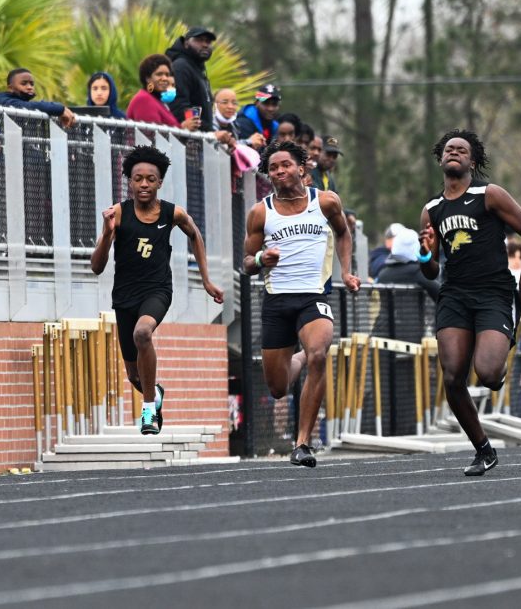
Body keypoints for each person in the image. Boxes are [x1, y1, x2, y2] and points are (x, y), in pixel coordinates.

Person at [418, 129, 521, 476]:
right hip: (455, 293)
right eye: (449, 149)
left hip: (493, 291)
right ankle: (483, 449)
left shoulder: (489, 194)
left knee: (487, 373)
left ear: (472, 161)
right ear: (440, 159)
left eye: (462, 150)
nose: (454, 152)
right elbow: (430, 270)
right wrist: (424, 252)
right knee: (452, 376)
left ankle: (498, 352)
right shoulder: (431, 210)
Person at [243, 140, 361, 468]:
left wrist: (346, 272)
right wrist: (261, 259)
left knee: (319, 355)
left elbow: (343, 233)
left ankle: (302, 443)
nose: (279, 171)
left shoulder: (325, 202)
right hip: (277, 301)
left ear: (302, 167)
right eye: (273, 168)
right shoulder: (260, 212)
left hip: (313, 296)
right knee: (278, 387)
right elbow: (247, 263)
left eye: (286, 165)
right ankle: (300, 355)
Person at [91, 145, 223, 434]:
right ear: (129, 182)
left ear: (160, 182)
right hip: (124, 296)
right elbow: (97, 267)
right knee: (134, 375)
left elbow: (195, 235)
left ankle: (148, 410)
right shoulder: (118, 214)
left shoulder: (172, 213)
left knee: (142, 333)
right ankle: (154, 393)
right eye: (137, 179)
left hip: (157, 291)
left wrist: (206, 280)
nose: (144, 184)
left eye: (150, 179)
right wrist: (107, 234)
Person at [125, 53, 199, 130]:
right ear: (147, 78)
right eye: (159, 74)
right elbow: (150, 134)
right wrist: (183, 128)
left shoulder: (158, 101)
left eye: (167, 75)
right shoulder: (144, 99)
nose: (165, 78)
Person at [0, 67, 77, 129]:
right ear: (10, 88)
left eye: (31, 84)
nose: (29, 87)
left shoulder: (23, 102)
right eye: (24, 83)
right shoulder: (1, 101)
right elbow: (25, 106)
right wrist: (60, 109)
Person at [165, 26, 215, 131]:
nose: (205, 45)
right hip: (186, 135)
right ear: (186, 43)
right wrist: (207, 131)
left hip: (200, 135)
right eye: (199, 40)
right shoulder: (181, 67)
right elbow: (179, 107)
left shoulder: (197, 69)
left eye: (208, 41)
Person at [376, 227, 440, 301]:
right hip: (415, 309)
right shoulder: (416, 272)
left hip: (388, 309)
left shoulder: (382, 274)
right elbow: (441, 294)